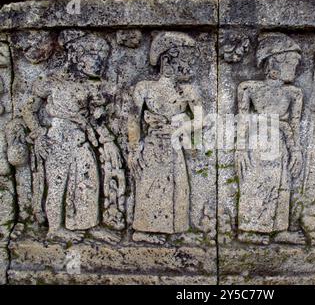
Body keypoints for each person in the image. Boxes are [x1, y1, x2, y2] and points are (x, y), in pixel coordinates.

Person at [22, 31, 124, 243]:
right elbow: (28, 110)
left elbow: (97, 121)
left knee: (88, 183)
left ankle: (89, 225)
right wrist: (39, 134)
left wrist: (109, 142)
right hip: (56, 142)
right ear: (77, 55)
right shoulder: (51, 81)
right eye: (95, 57)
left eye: (102, 60)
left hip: (81, 141)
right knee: (57, 185)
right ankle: (55, 228)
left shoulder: (90, 87)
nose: (100, 64)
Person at [128, 32, 201, 243]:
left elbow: (201, 119)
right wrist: (134, 149)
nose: (190, 66)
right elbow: (133, 121)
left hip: (175, 144)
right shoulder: (144, 88)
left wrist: (179, 124)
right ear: (167, 61)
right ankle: (144, 230)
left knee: (178, 187)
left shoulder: (188, 91)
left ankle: (175, 229)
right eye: (186, 60)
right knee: (150, 186)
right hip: (151, 145)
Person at [236, 33, 304, 244]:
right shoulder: (249, 88)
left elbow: (294, 125)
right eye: (292, 61)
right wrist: (239, 149)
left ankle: (279, 228)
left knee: (283, 184)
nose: (295, 67)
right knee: (257, 182)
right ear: (275, 61)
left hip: (282, 143)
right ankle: (251, 229)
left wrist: (296, 151)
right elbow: (242, 120)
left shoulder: (294, 93)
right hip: (258, 143)